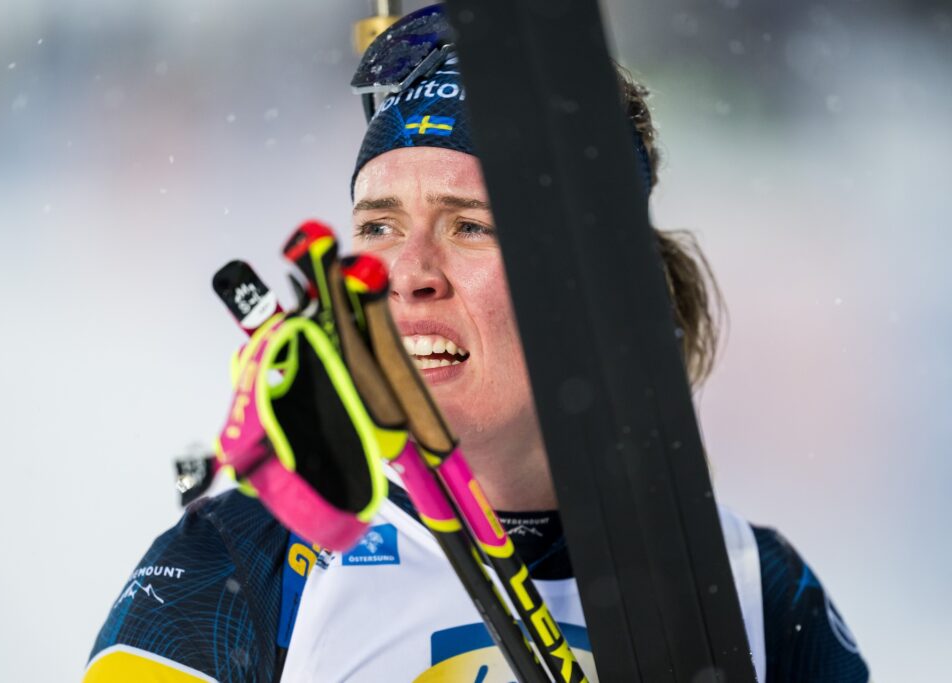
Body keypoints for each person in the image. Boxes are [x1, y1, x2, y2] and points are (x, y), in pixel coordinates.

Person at [84, 6, 870, 682]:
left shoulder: (758, 590)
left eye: (471, 226)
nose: (409, 273)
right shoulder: (238, 561)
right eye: (379, 227)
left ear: (598, 283)